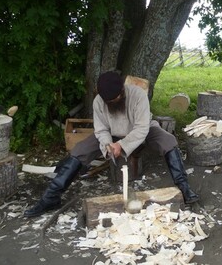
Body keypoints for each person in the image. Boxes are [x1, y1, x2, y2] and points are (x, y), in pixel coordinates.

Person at [24, 71, 199, 217]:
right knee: (80, 150)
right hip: (111, 134)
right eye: (109, 102)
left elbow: (141, 128)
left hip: (141, 130)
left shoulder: (138, 96)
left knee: (168, 141)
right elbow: (100, 130)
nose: (112, 104)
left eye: (115, 100)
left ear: (122, 91)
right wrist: (108, 144)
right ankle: (50, 198)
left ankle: (184, 188)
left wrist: (121, 145)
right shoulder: (99, 101)